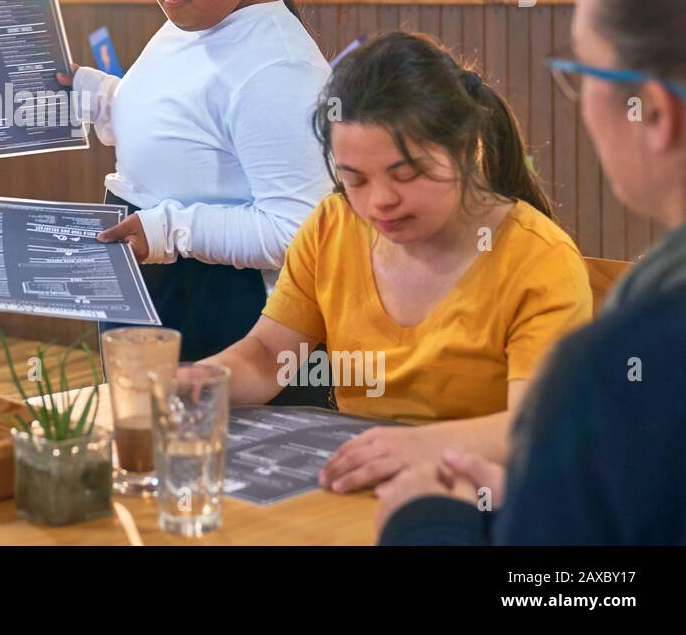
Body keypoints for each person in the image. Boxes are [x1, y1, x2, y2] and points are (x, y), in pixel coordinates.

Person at [377, 0, 686, 544]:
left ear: (654, 113)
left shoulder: (624, 360)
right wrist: (529, 491)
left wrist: (424, 517)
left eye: (582, 72)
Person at [205, 31, 593, 491]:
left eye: (405, 174)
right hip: (364, 488)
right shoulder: (333, 225)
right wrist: (201, 384)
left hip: (480, 500)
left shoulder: (536, 259)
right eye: (356, 179)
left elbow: (535, 428)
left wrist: (418, 447)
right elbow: (271, 357)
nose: (380, 202)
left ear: (467, 149)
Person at [64, 0, 334, 376]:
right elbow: (186, 124)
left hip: (224, 307)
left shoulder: (277, 66)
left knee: (202, 451)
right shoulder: (195, 17)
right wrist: (97, 97)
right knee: (145, 448)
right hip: (155, 279)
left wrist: (171, 230)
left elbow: (298, 231)